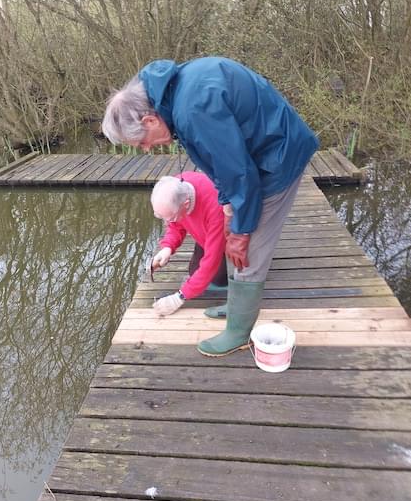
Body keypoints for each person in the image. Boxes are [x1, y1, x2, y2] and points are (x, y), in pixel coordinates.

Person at [102, 56, 319, 356]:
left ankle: (240, 332)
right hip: (259, 154)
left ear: (149, 120)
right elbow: (219, 162)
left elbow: (240, 172)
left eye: (142, 142)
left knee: (250, 248)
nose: (147, 148)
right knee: (235, 230)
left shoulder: (193, 109)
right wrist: (228, 205)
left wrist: (242, 231)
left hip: (278, 158)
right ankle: (235, 305)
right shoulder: (175, 97)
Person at [150, 172, 227, 317]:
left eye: (171, 216)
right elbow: (174, 225)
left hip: (227, 239)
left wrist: (179, 297)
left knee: (218, 278)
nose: (168, 221)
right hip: (205, 236)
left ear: (186, 204)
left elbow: (211, 259)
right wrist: (167, 248)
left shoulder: (215, 205)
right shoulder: (175, 188)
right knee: (194, 273)